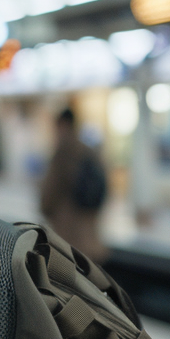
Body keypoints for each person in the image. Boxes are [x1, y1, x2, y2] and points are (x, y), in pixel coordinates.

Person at [39, 107, 107, 262]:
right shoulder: (89, 151)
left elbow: (50, 191)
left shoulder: (63, 151)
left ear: (62, 124)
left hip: (70, 235)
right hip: (90, 233)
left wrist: (44, 208)